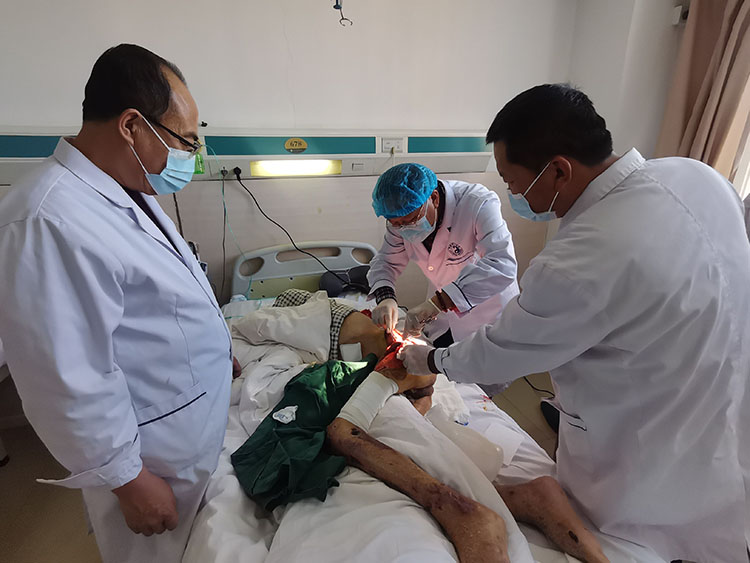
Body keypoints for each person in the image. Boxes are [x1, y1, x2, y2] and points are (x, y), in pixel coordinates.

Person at [399, 84, 750, 562]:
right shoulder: (697, 175)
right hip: (719, 389)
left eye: (514, 182)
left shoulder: (579, 259)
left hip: (647, 446)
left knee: (632, 537)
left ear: (559, 170)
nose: (513, 193)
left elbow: (503, 349)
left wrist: (429, 359)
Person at [0, 45, 233, 562]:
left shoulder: (127, 188)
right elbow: (66, 379)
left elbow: (160, 300)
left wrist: (215, 349)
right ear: (131, 126)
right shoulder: (48, 219)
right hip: (151, 457)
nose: (191, 155)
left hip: (185, 426)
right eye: (185, 140)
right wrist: (128, 481)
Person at [367, 163, 519, 348]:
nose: (403, 228)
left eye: (410, 220)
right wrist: (386, 297)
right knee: (437, 357)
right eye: (395, 223)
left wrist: (437, 303)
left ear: (434, 198)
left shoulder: (478, 203)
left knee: (485, 362)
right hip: (443, 317)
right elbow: (386, 261)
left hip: (490, 313)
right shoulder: (400, 218)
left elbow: (501, 265)